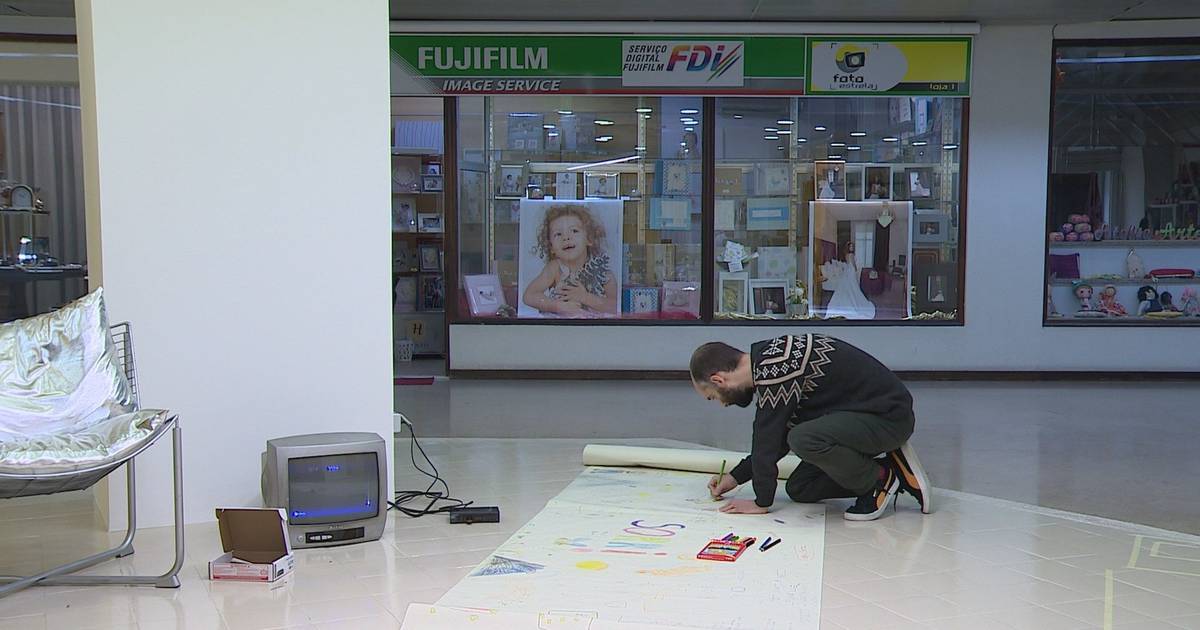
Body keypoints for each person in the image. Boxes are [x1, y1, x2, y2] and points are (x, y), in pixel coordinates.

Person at [689, 335, 930, 521]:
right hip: (865, 417)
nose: (721, 404)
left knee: (804, 438)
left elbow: (767, 438)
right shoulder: (768, 360)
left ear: (718, 380)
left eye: (712, 397)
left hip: (889, 418)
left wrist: (761, 502)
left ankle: (877, 481)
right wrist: (735, 478)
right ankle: (891, 470)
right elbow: (777, 439)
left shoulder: (776, 367)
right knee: (800, 488)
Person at [523, 204, 618, 317]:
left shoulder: (602, 272)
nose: (566, 237)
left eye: (574, 231)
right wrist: (558, 306)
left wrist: (585, 297)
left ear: (589, 239)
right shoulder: (555, 268)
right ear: (551, 247)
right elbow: (529, 296)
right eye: (558, 234)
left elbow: (615, 306)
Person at [821, 242, 875, 319]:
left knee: (851, 286)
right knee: (853, 286)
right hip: (851, 271)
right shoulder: (851, 255)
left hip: (848, 271)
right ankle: (853, 301)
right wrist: (856, 269)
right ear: (849, 248)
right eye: (851, 247)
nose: (852, 248)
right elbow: (853, 265)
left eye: (852, 247)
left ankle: (848, 300)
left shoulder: (846, 255)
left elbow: (847, 263)